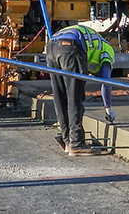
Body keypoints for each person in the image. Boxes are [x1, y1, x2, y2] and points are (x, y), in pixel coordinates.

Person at [45, 23, 115, 156]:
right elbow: (106, 81)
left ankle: (67, 141)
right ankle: (77, 143)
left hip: (52, 46)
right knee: (74, 95)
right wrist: (108, 108)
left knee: (60, 95)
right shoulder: (108, 50)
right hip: (71, 46)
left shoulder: (95, 41)